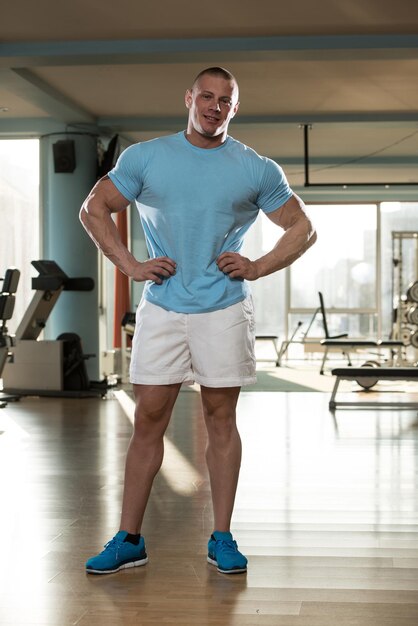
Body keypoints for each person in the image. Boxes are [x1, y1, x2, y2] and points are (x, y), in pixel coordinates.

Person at [80, 66, 316, 576]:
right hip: (163, 306)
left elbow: (303, 227)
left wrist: (256, 266)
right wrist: (131, 266)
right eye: (206, 96)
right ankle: (128, 538)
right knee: (148, 420)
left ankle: (223, 537)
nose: (214, 106)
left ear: (235, 108)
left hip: (224, 309)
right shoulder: (146, 157)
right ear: (188, 98)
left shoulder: (255, 168)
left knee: (220, 421)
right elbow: (94, 208)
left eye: (225, 100)